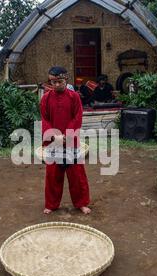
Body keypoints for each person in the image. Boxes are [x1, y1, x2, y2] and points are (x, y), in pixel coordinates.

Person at [41, 66, 91, 215]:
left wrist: (67, 135)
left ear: (66, 80)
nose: (56, 85)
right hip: (53, 142)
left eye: (60, 81)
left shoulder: (74, 96)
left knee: (77, 175)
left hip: (71, 142)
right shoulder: (46, 98)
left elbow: (77, 117)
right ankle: (51, 204)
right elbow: (44, 119)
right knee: (53, 175)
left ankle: (81, 203)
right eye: (53, 82)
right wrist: (54, 135)